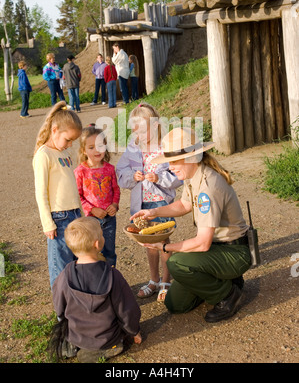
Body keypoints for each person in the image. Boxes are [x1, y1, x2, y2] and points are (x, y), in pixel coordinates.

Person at [131, 127, 252, 323]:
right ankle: (223, 280)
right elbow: (185, 204)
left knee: (176, 262)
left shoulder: (208, 186)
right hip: (216, 249)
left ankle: (228, 296)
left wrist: (164, 247)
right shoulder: (192, 175)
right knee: (175, 304)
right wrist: (153, 212)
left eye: (174, 161)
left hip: (233, 252)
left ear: (190, 158)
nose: (170, 167)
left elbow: (202, 244)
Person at [50, 216, 142, 363]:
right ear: (98, 244)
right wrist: (134, 331)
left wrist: (64, 323)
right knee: (117, 336)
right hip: (107, 336)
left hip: (76, 334)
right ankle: (106, 348)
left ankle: (76, 345)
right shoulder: (113, 276)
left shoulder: (64, 276)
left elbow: (59, 305)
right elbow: (126, 309)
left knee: (74, 331)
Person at [116, 103, 182, 302]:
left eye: (143, 130)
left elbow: (178, 175)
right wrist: (132, 176)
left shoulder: (165, 147)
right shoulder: (133, 148)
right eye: (135, 130)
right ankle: (153, 280)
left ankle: (166, 281)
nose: (139, 134)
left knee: (162, 240)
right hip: (142, 203)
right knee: (148, 242)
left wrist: (159, 178)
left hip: (161, 202)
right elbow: (121, 171)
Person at [32, 101, 83, 288]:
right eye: (68, 139)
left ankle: (75, 303)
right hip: (58, 218)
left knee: (76, 263)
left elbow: (71, 185)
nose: (70, 144)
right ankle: (62, 311)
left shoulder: (65, 152)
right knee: (60, 266)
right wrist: (48, 223)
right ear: (55, 130)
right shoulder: (43, 155)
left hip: (74, 214)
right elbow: (41, 193)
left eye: (72, 141)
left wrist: (80, 212)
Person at [75, 125, 120, 267]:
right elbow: (78, 195)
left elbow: (116, 190)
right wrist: (92, 209)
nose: (97, 150)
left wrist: (114, 205)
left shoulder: (110, 169)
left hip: (109, 219)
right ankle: (95, 281)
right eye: (91, 147)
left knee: (109, 251)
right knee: (91, 252)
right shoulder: (80, 171)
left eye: (100, 145)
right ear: (83, 150)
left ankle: (111, 279)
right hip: (90, 221)